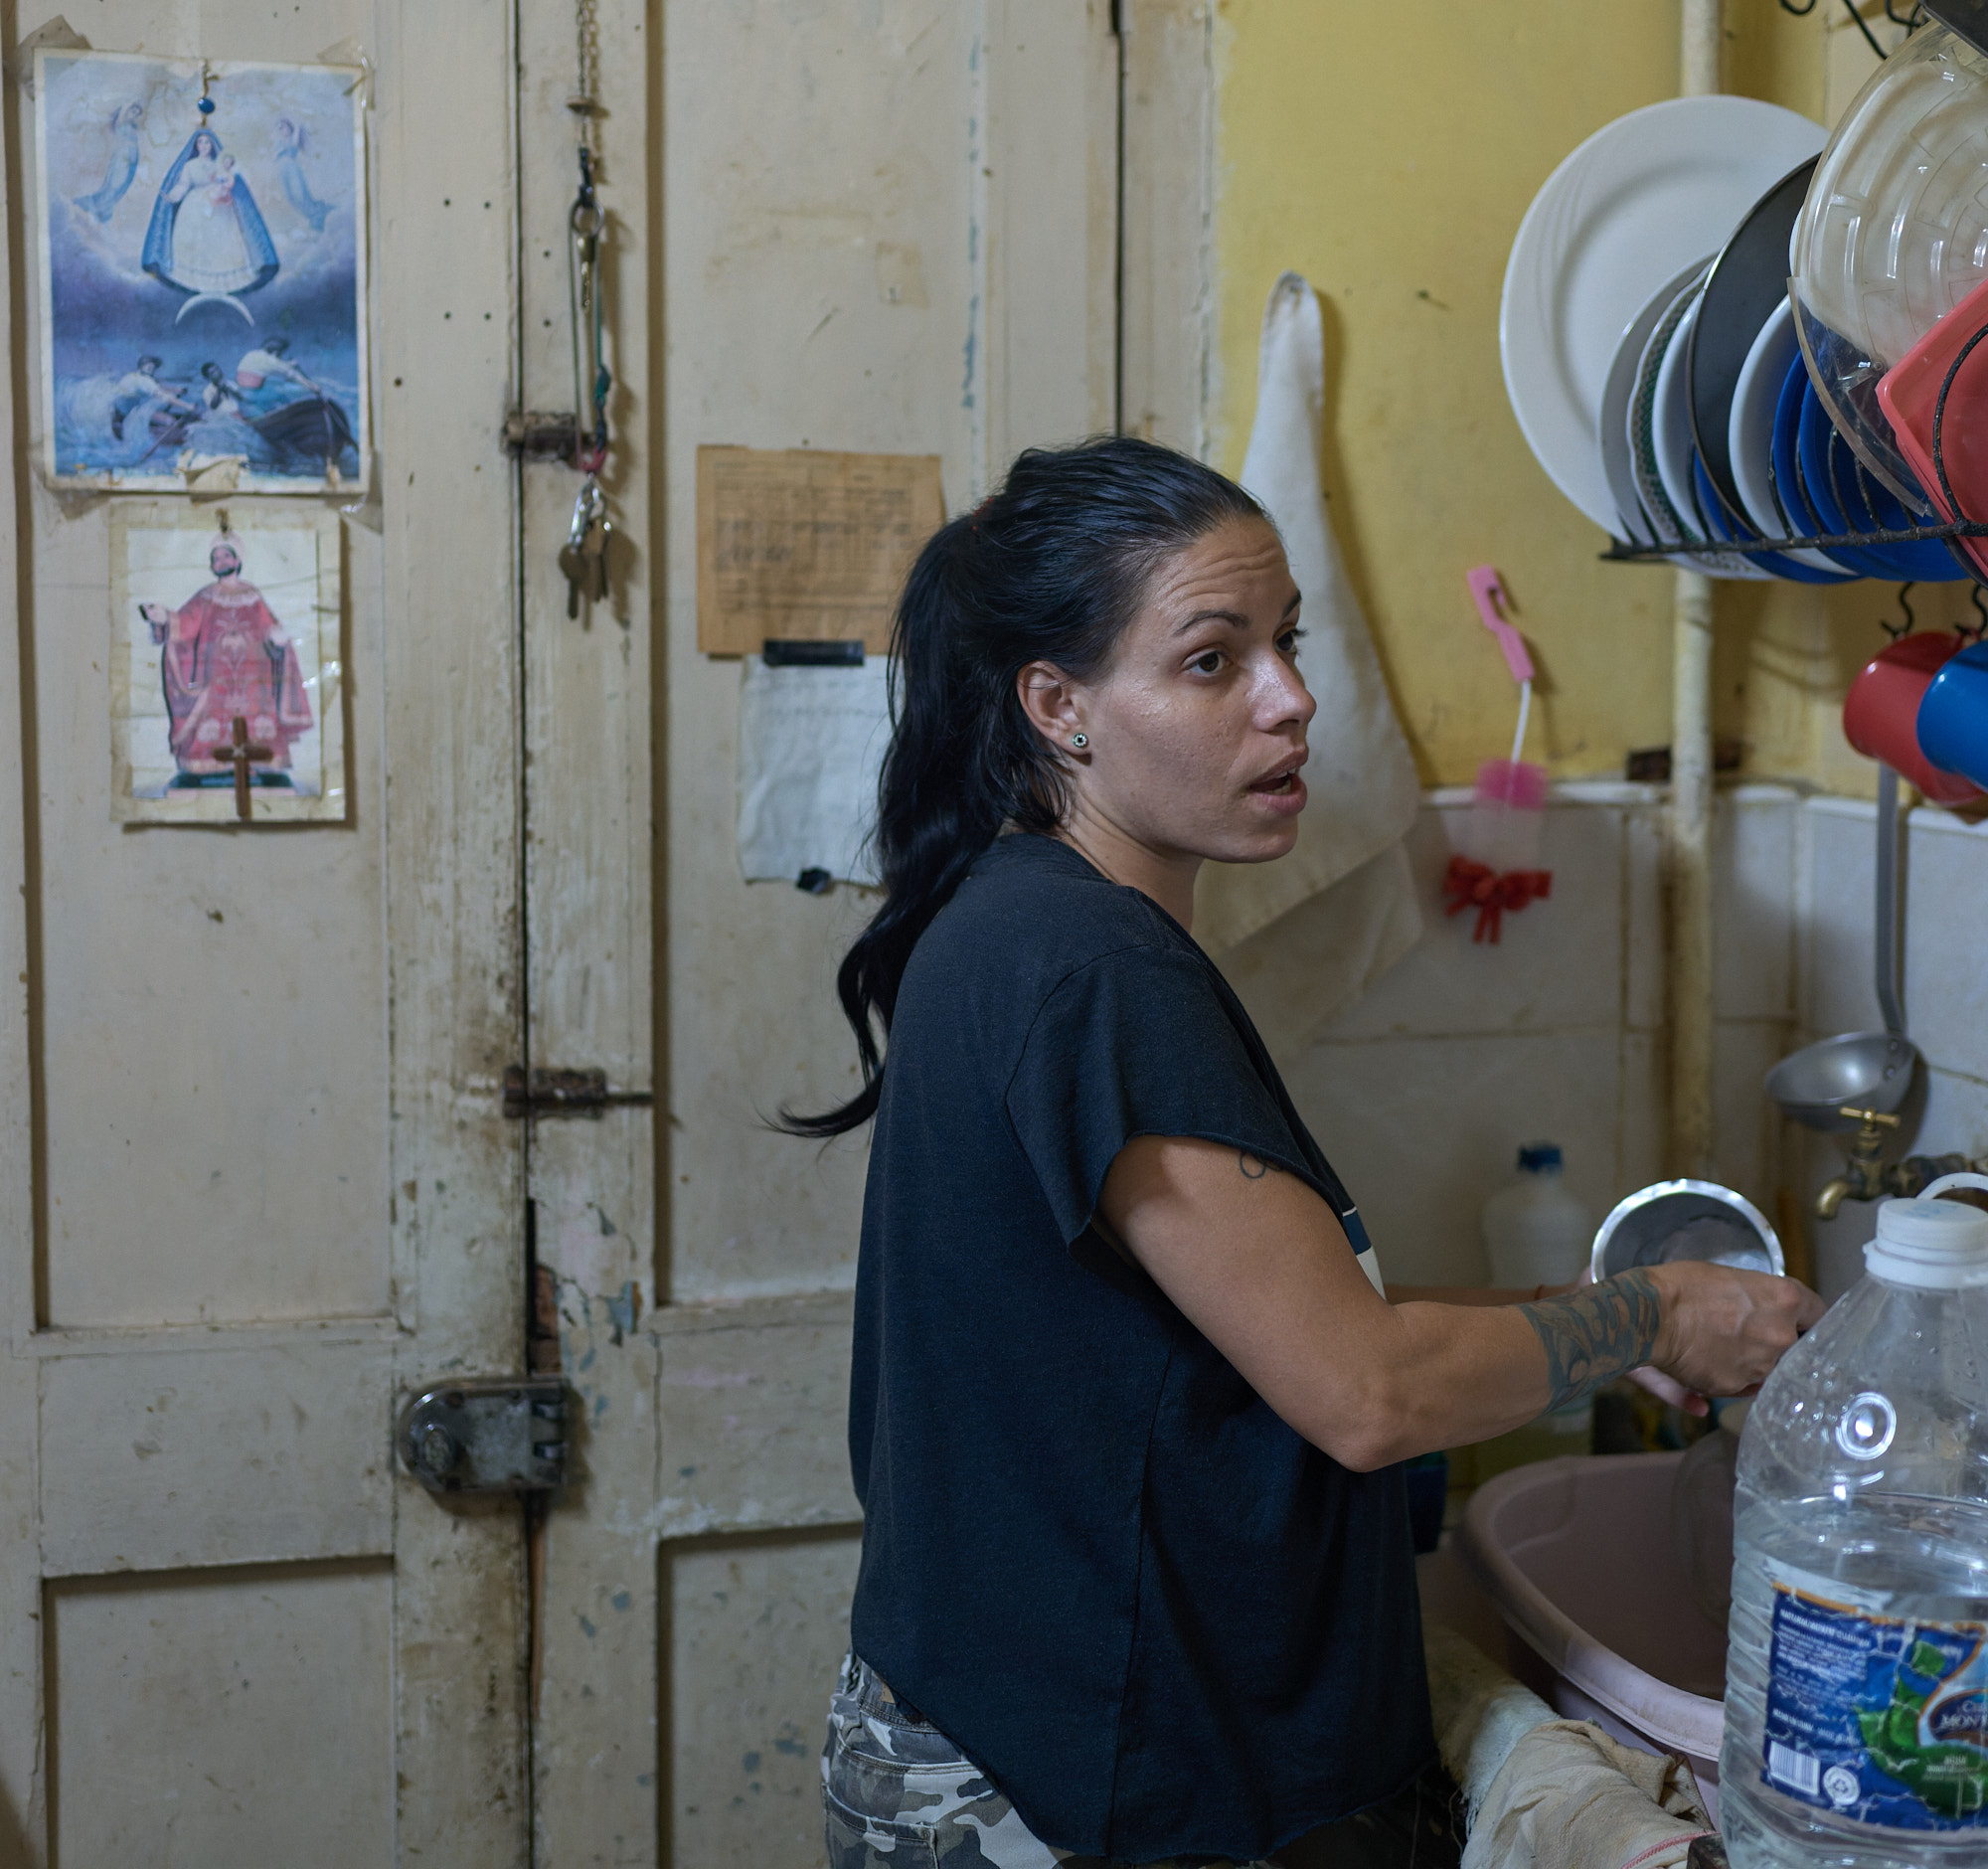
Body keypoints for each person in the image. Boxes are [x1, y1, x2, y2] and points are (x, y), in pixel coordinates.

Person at [787, 436, 1822, 1869]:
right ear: (1059, 707)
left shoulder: (1026, 920)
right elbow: (1366, 1393)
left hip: (1003, 1732)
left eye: (1285, 643)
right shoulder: (1095, 970)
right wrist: (1654, 1311)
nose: (1292, 700)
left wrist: (1592, 1330)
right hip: (1063, 1782)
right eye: (1214, 662)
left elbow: (1285, 1328)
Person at [139, 532, 312, 784]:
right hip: (216, 682)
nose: (219, 561)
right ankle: (210, 766)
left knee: (258, 725)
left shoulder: (253, 596)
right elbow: (186, 624)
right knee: (211, 723)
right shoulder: (206, 596)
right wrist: (164, 618)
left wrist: (277, 635)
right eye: (215, 557)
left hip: (254, 681)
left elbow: (268, 627)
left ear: (237, 560)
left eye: (225, 556)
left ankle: (260, 765)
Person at [141, 128, 278, 301]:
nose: (203, 146)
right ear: (196, 145)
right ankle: (193, 280)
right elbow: (183, 185)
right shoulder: (189, 166)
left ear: (212, 145)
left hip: (220, 208)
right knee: (194, 240)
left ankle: (224, 281)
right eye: (200, 142)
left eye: (207, 142)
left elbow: (230, 181)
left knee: (223, 240)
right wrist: (171, 196)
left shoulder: (219, 164)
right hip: (193, 207)